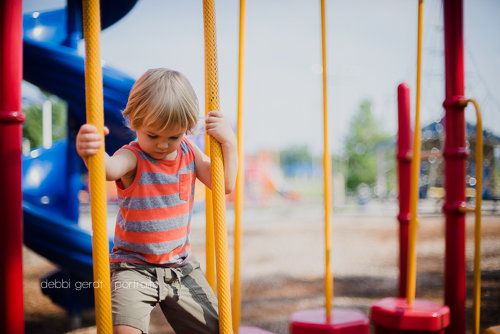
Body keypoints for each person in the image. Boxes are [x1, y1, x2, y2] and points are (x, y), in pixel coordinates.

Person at [76, 68, 237, 334]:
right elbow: (108, 169)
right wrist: (90, 150)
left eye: (173, 136)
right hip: (133, 268)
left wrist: (229, 142)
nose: (163, 144)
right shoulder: (133, 156)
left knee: (219, 329)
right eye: (153, 135)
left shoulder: (188, 152)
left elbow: (225, 184)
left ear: (185, 130)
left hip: (181, 267)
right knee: (124, 330)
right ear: (134, 122)